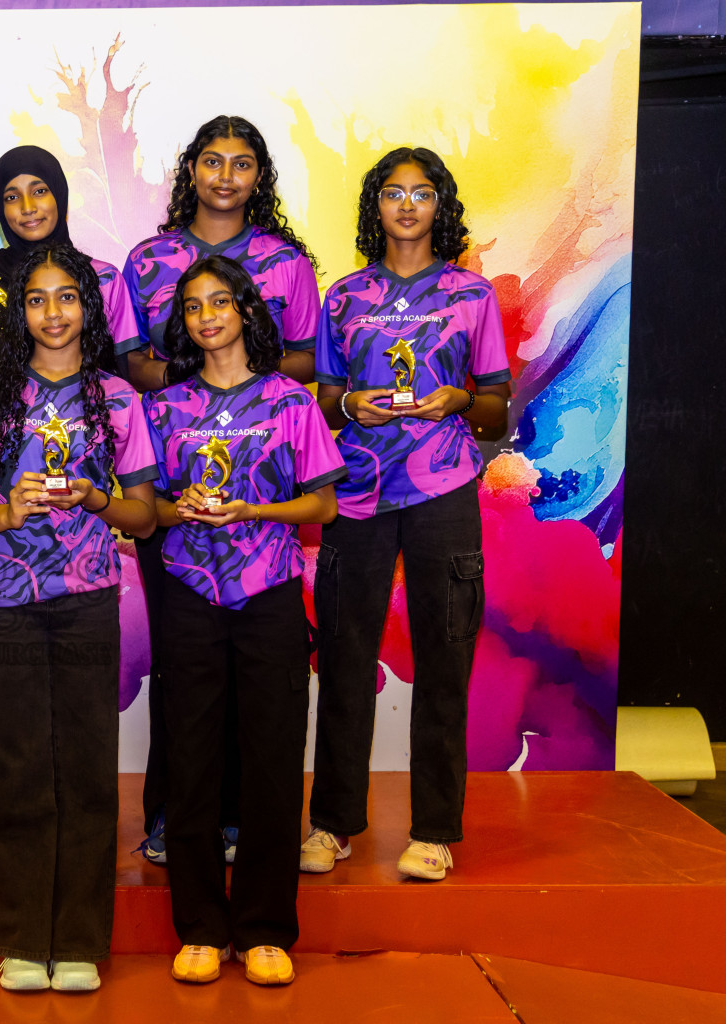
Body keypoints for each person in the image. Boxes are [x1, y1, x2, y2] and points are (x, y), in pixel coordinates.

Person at [0, 243, 157, 993]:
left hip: (89, 600)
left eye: (67, 297)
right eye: (37, 300)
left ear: (88, 307)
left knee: (86, 772)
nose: (53, 312)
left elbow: (145, 516)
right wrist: (7, 511)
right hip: (6, 604)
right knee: (14, 771)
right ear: (17, 313)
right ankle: (22, 938)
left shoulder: (118, 399)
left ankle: (77, 940)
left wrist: (97, 499)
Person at [304, 147, 512, 881]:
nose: (407, 205)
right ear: (376, 206)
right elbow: (324, 399)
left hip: (443, 488)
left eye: (422, 193)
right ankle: (332, 824)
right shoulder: (344, 296)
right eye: (392, 192)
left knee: (444, 657)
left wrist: (458, 400)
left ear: (440, 205)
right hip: (356, 491)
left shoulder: (470, 296)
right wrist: (348, 404)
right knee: (345, 661)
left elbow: (494, 406)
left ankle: (434, 830)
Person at [122, 114, 321, 867]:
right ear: (192, 170)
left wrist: (244, 386)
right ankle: (176, 817)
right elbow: (124, 365)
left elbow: (303, 361)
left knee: (257, 675)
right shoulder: (149, 260)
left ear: (258, 177)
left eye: (243, 163)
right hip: (166, 478)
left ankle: (249, 820)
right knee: (186, 668)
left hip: (257, 485)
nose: (226, 176)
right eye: (212, 160)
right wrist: (189, 385)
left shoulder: (284, 261)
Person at [145, 255, 344, 988]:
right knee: (191, 762)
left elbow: (322, 505)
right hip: (191, 593)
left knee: (270, 760)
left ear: (247, 311)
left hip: (270, 594)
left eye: (219, 302)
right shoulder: (162, 409)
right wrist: (182, 509)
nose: (206, 317)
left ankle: (263, 927)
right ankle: (199, 925)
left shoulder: (291, 402)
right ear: (184, 323)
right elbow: (149, 509)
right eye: (193, 307)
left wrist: (252, 509)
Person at [0, 145, 140, 366]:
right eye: (12, 197)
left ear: (59, 194)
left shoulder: (104, 278)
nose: (27, 207)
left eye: (39, 191)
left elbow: (124, 368)